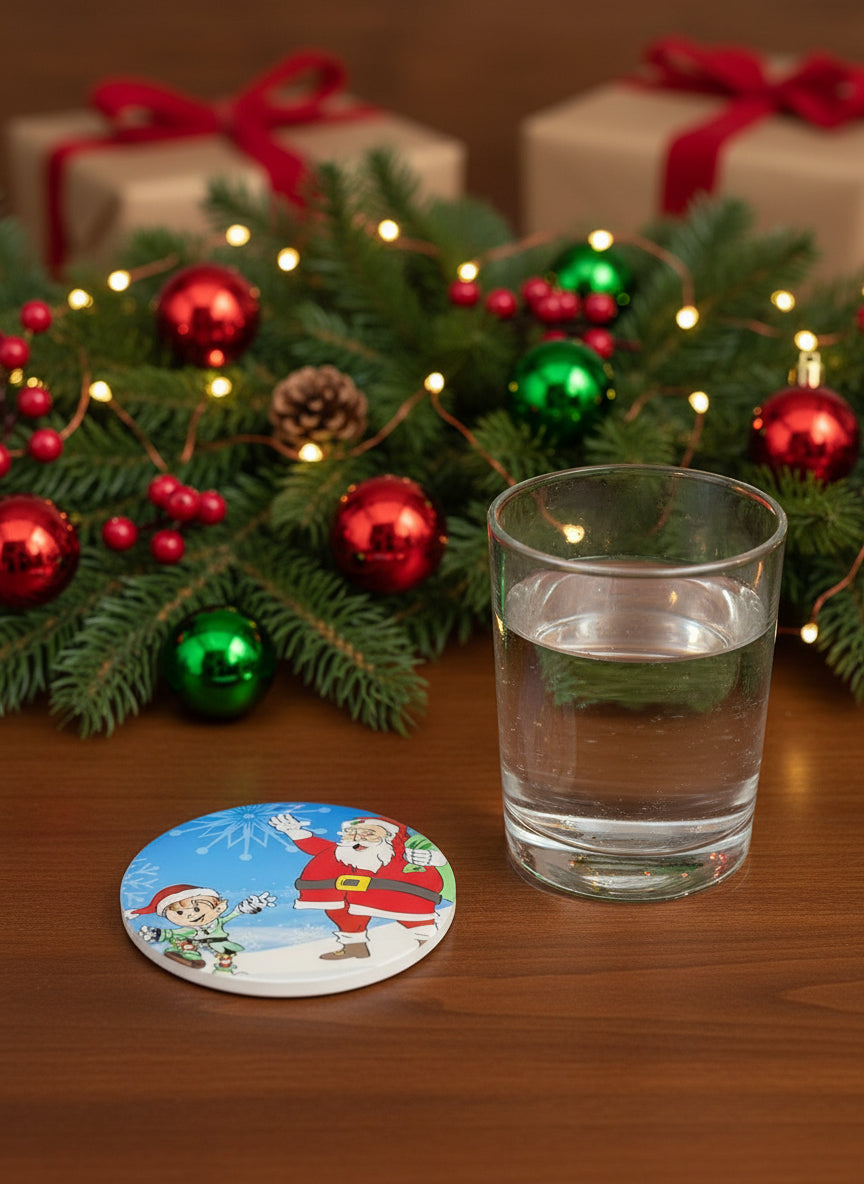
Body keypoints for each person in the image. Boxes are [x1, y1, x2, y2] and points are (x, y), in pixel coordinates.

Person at [268, 812, 447, 960]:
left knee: (412, 914)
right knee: (342, 913)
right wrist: (296, 833)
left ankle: (425, 940)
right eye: (353, 833)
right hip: (351, 895)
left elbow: (427, 868)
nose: (359, 838)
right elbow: (317, 845)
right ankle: (354, 948)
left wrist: (433, 859)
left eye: (369, 833)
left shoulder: (399, 854)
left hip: (395, 895)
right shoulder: (342, 852)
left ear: (388, 837)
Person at [124, 884, 276, 974]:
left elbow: (231, 916)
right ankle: (190, 959)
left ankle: (225, 969)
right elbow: (172, 932)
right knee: (183, 942)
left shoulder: (216, 922)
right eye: (179, 913)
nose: (190, 915)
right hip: (193, 943)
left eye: (196, 909)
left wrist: (244, 908)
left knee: (226, 956)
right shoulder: (188, 930)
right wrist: (157, 934)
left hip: (219, 943)